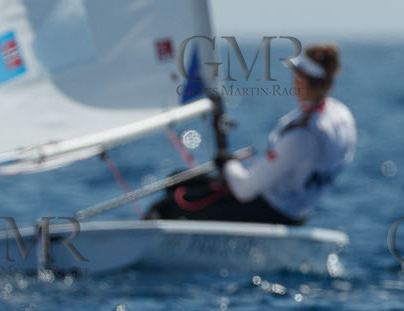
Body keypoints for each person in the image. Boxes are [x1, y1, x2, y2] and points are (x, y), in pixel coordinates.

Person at [146, 43, 355, 225]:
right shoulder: (341, 116)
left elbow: (245, 190)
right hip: (297, 207)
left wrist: (228, 163)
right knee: (178, 180)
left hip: (272, 210)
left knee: (170, 205)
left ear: (302, 79)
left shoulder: (302, 134)